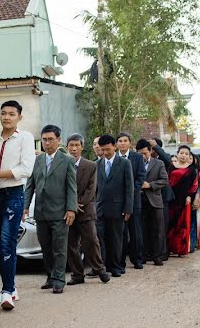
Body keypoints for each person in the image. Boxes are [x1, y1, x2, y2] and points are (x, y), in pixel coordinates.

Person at [0, 100, 34, 311]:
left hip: (13, 194)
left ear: (19, 117)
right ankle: (10, 288)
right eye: (3, 113)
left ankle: (7, 291)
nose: (6, 117)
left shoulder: (25, 138)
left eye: (11, 114)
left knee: (7, 241)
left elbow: (26, 169)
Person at [24, 125, 77, 294]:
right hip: (41, 212)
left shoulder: (67, 160)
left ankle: (59, 279)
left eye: (50, 139)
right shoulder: (37, 160)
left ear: (58, 140)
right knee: (45, 247)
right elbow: (30, 186)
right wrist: (25, 206)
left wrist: (71, 209)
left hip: (60, 212)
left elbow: (72, 187)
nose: (47, 143)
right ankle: (51, 276)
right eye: (44, 140)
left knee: (59, 247)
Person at [65, 134, 110, 284]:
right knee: (71, 245)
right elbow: (59, 188)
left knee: (91, 241)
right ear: (67, 147)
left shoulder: (91, 166)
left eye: (77, 145)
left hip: (86, 210)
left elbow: (92, 190)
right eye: (71, 145)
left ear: (82, 147)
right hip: (67, 211)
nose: (74, 148)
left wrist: (76, 204)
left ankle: (99, 269)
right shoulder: (62, 165)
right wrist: (70, 204)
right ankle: (77, 275)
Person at [95, 134, 134, 277]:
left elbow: (129, 187)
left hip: (118, 208)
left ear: (114, 146)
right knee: (100, 239)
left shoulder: (124, 163)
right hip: (100, 209)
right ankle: (103, 266)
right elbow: (95, 188)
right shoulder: (97, 164)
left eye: (108, 149)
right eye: (102, 150)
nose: (105, 153)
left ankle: (116, 266)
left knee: (116, 239)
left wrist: (128, 208)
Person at [136, 139, 168, 266]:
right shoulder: (134, 163)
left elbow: (164, 180)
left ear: (150, 151)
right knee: (142, 230)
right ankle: (143, 255)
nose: (143, 156)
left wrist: (150, 185)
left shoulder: (158, 163)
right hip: (139, 200)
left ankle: (158, 256)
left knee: (157, 230)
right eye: (140, 154)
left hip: (154, 200)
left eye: (145, 153)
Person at [116, 132, 146, 270]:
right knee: (120, 232)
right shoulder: (113, 158)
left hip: (134, 199)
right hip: (117, 201)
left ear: (129, 143)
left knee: (135, 231)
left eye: (125, 140)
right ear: (116, 144)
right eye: (120, 141)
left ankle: (137, 259)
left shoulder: (137, 158)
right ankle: (120, 261)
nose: (122, 143)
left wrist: (132, 191)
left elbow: (140, 176)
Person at [166, 145, 198, 257]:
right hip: (170, 199)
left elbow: (194, 185)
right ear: (177, 154)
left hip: (184, 201)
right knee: (170, 224)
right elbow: (166, 181)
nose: (183, 155)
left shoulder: (192, 169)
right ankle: (169, 248)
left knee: (182, 225)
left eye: (186, 154)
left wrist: (190, 196)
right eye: (181, 153)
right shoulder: (171, 166)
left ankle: (181, 249)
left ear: (189, 156)